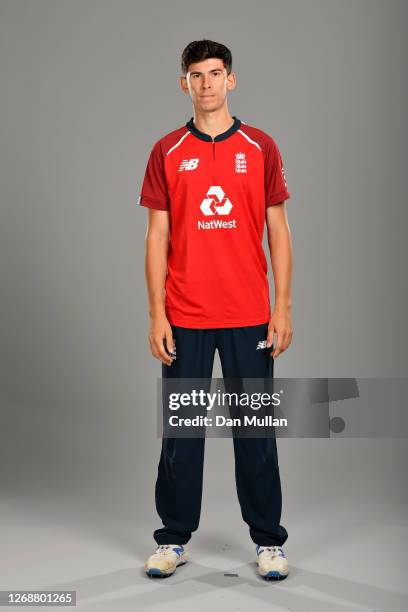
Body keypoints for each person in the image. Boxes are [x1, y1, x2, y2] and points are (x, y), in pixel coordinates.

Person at [138, 39, 293, 581]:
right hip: (186, 315)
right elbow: (157, 237)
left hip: (250, 313)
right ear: (184, 83)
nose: (207, 83)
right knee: (182, 433)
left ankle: (269, 542)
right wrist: (157, 314)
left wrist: (283, 308)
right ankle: (173, 538)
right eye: (196, 75)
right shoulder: (167, 151)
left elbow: (279, 230)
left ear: (232, 80)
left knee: (256, 431)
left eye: (216, 73)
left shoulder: (261, 146)